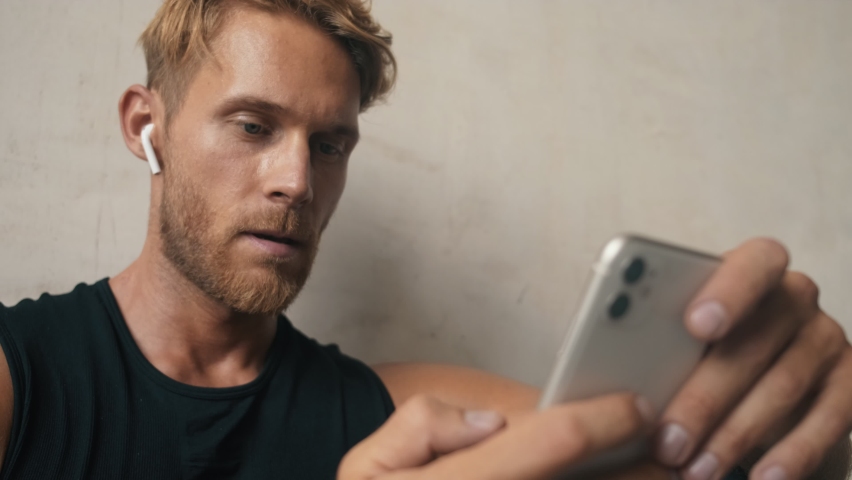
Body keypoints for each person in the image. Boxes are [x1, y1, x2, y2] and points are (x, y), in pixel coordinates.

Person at [1, 1, 850, 479]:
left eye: (329, 145)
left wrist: (785, 403)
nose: (297, 181)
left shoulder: (392, 408)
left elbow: (653, 454)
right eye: (254, 125)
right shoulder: (20, 377)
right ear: (146, 126)